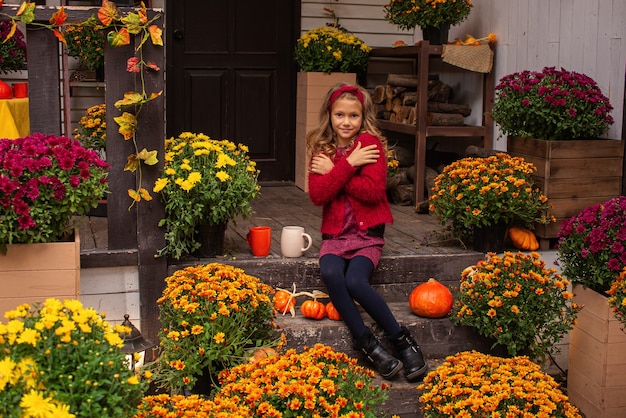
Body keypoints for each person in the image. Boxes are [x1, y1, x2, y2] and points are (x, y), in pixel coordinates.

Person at [306, 83, 428, 382]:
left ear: (363, 117)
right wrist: (348, 165)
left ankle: (402, 341)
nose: (346, 122)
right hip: (335, 238)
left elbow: (372, 192)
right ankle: (370, 346)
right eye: (339, 115)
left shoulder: (370, 147)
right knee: (332, 274)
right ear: (329, 115)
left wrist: (336, 170)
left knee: (355, 281)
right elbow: (318, 195)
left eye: (353, 116)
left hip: (367, 237)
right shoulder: (322, 150)